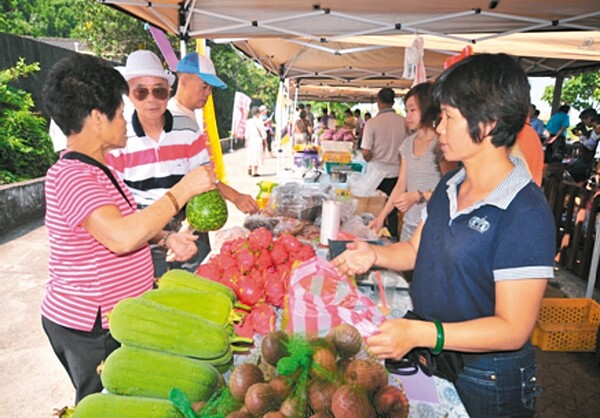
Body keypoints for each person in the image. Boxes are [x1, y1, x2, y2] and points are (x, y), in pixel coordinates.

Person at [332, 53, 555, 417]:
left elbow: (513, 328)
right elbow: (415, 251)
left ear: (487, 124)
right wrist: (373, 254)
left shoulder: (525, 213)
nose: (439, 128)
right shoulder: (451, 183)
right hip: (437, 356)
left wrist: (424, 335)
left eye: (449, 117)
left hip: (489, 378)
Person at [40, 54, 217, 403]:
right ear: (95, 118)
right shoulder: (73, 175)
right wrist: (183, 189)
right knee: (105, 403)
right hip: (91, 326)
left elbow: (125, 221)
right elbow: (120, 238)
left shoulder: (101, 169)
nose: (126, 120)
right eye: (120, 112)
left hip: (116, 315)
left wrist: (167, 236)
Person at [104, 51, 229, 278]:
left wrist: (188, 228)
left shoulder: (188, 128)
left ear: (168, 92)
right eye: (141, 92)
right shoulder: (118, 139)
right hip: (144, 236)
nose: (151, 99)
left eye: (159, 91)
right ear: (129, 95)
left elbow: (205, 181)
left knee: (198, 290)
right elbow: (119, 212)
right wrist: (163, 236)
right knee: (153, 299)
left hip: (189, 228)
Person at [369, 82, 454, 242]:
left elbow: (451, 190)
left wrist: (418, 196)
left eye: (413, 110)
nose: (408, 115)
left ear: (428, 108)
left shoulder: (442, 145)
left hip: (434, 227)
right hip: (409, 225)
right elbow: (401, 186)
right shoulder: (407, 145)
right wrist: (381, 217)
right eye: (407, 110)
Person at [360, 87, 408, 238]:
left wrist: (371, 158)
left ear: (379, 102)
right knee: (392, 210)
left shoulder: (372, 123)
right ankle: (392, 239)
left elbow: (366, 152)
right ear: (393, 102)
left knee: (372, 211)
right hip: (398, 174)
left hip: (376, 175)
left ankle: (373, 239)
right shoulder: (404, 122)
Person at [245, 106, 266, 176]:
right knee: (257, 156)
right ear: (258, 113)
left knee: (250, 155)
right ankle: (255, 172)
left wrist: (246, 140)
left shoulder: (248, 121)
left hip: (251, 140)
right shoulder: (260, 122)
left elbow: (247, 133)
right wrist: (265, 140)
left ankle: (249, 167)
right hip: (257, 140)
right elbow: (263, 132)